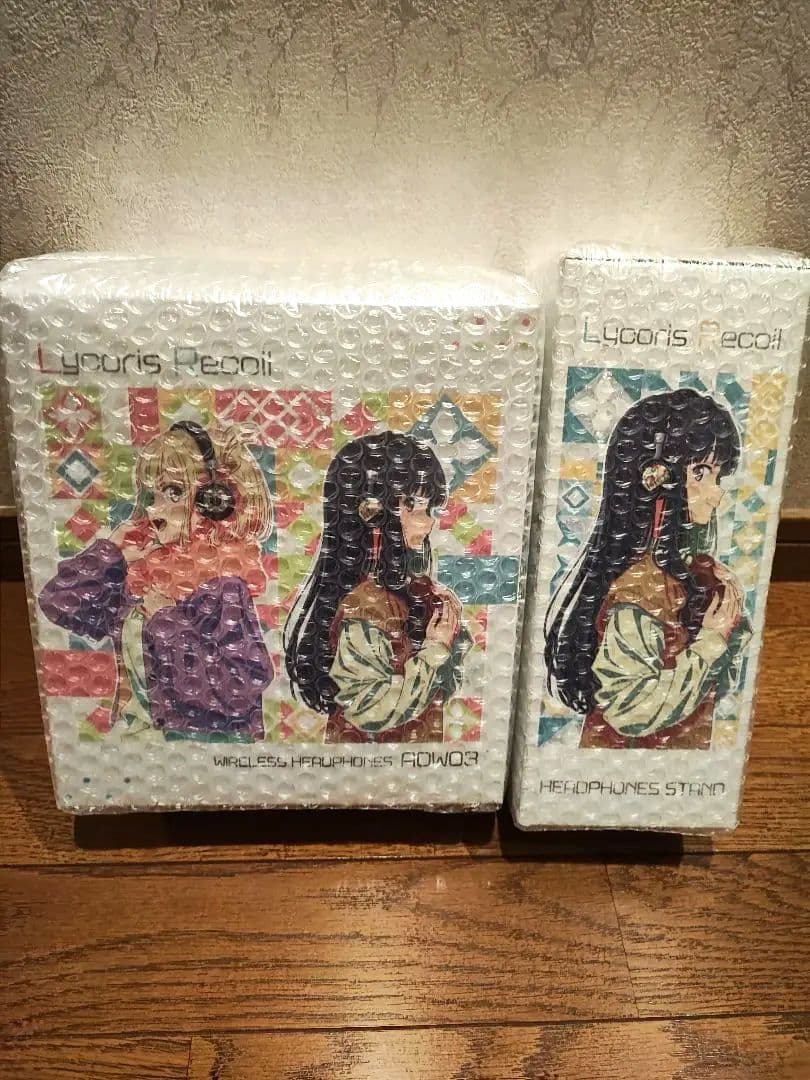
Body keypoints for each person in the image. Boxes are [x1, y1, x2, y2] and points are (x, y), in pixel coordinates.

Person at [39, 421, 273, 742]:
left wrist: (167, 621)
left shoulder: (223, 588)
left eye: (173, 492)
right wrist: (112, 552)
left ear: (213, 500)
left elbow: (240, 690)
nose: (153, 509)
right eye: (151, 494)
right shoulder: (137, 580)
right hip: (134, 750)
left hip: (199, 753)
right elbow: (57, 604)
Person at [545, 388, 750, 750]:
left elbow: (721, 690)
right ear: (656, 480)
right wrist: (711, 642)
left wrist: (729, 629)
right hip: (617, 763)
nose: (716, 493)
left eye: (717, 476)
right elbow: (628, 709)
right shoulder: (640, 589)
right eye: (700, 472)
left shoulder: (695, 574)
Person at [284, 431, 471, 742]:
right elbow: (369, 708)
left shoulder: (410, 593)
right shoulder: (366, 606)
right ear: (371, 512)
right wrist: (436, 649)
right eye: (412, 504)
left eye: (430, 507)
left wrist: (449, 631)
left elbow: (442, 691)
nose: (428, 521)